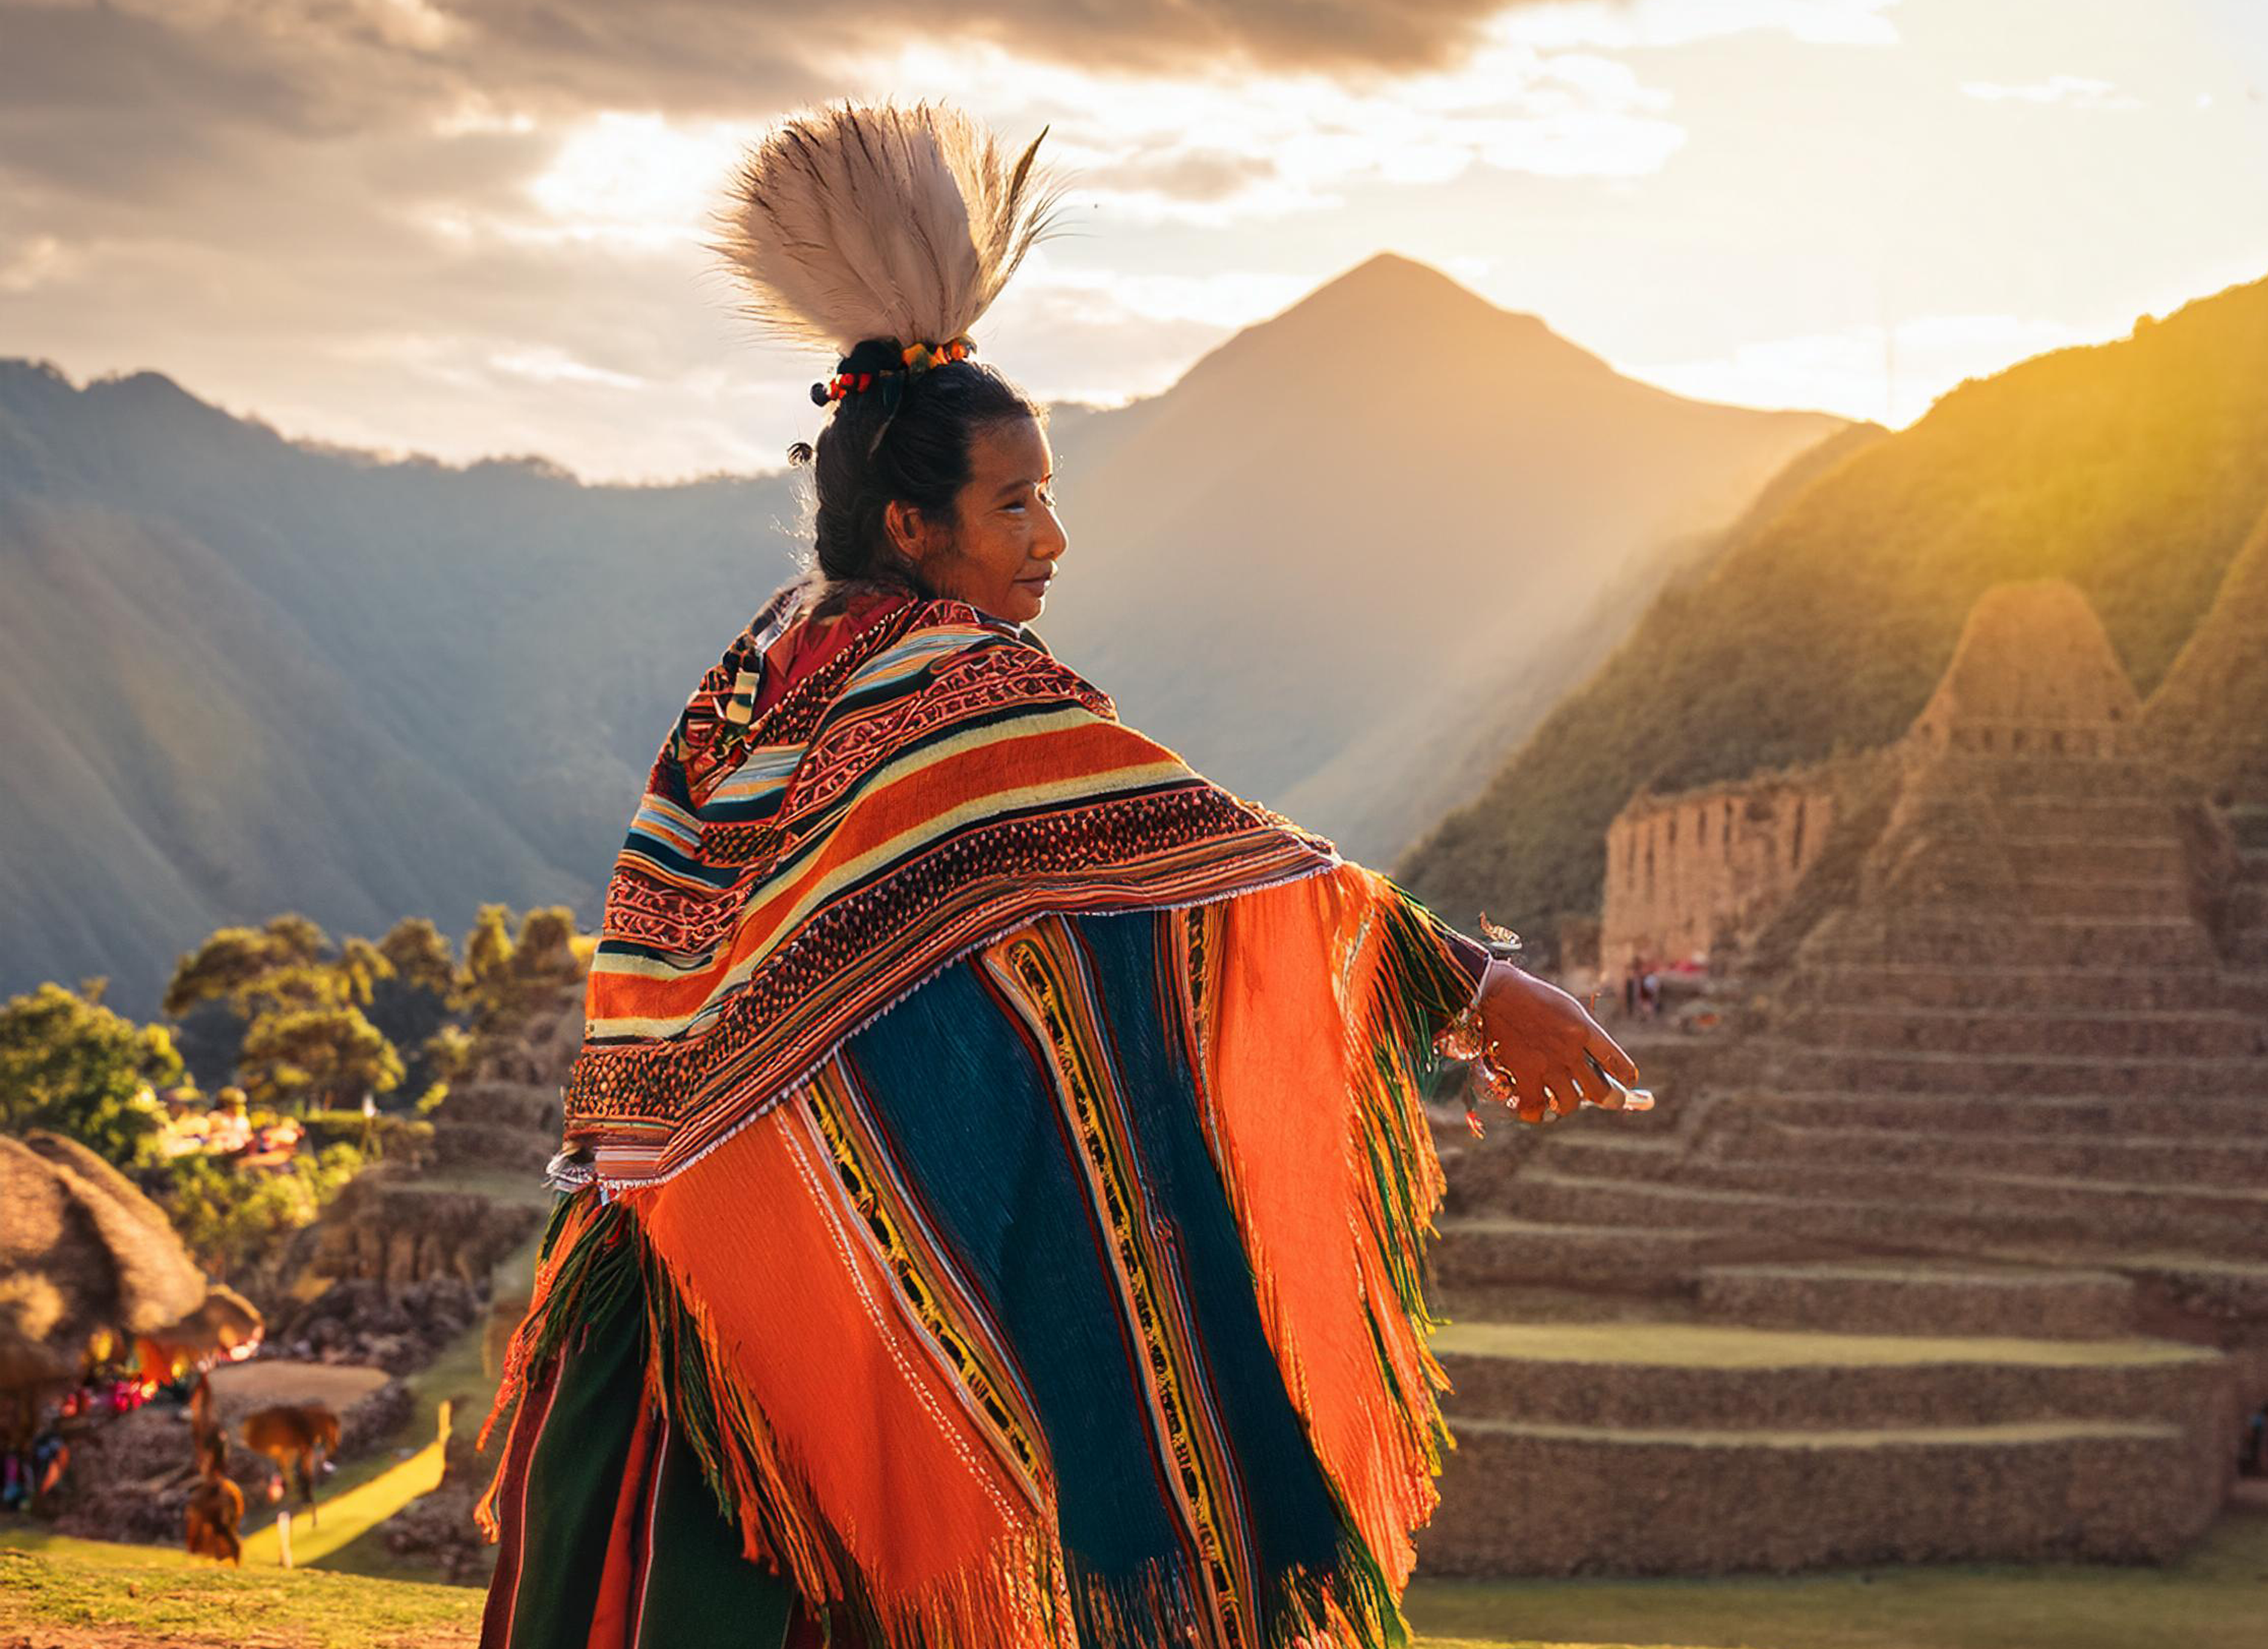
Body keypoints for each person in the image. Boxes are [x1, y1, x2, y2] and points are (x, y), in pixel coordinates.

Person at [468, 98, 1647, 1649]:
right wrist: (1473, 978)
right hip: (801, 1300)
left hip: (693, 1231)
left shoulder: (766, 663)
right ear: (914, 523)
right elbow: (1207, 853)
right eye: (1014, 504)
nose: (1053, 539)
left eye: (1048, 496)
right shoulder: (957, 686)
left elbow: (683, 934)